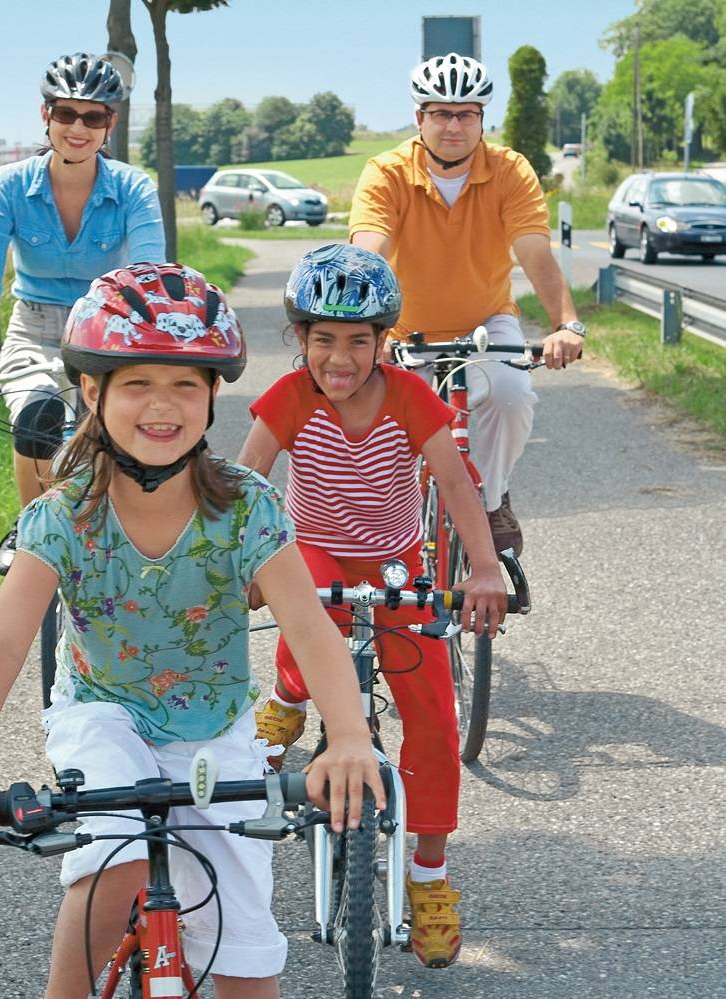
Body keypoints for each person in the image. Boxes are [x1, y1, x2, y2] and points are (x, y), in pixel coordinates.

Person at [0, 262, 385, 999]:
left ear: (211, 395)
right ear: (92, 391)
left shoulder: (247, 508)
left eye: (185, 384)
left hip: (215, 730)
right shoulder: (63, 516)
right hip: (105, 714)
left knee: (249, 968)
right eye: (137, 383)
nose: (162, 406)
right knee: (119, 860)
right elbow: (4, 642)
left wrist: (351, 737)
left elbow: (311, 628)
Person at [240, 243, 508, 969]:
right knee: (306, 626)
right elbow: (246, 482)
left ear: (382, 342)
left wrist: (483, 568)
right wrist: (239, 563)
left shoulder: (407, 396)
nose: (340, 357)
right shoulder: (287, 397)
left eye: (358, 341)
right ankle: (287, 694)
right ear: (299, 340)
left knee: (430, 708)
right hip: (312, 550)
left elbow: (454, 486)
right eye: (322, 339)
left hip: (395, 559)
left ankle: (427, 874)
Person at [349, 52, 587, 557]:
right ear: (419, 119)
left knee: (511, 396)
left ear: (482, 119)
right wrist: (364, 334)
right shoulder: (386, 173)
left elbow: (534, 252)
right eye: (441, 113)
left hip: (485, 323)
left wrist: (566, 324)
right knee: (383, 436)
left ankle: (492, 497)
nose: (453, 125)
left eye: (466, 114)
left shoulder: (509, 171)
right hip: (402, 329)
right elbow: (369, 253)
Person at [0, 52, 165, 574]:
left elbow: (150, 276)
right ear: (47, 117)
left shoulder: (134, 188)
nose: (78, 128)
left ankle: (132, 534)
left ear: (111, 123)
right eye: (66, 113)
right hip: (36, 327)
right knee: (39, 414)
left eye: (93, 116)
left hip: (109, 327)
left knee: (123, 437)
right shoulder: (10, 185)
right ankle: (33, 530)